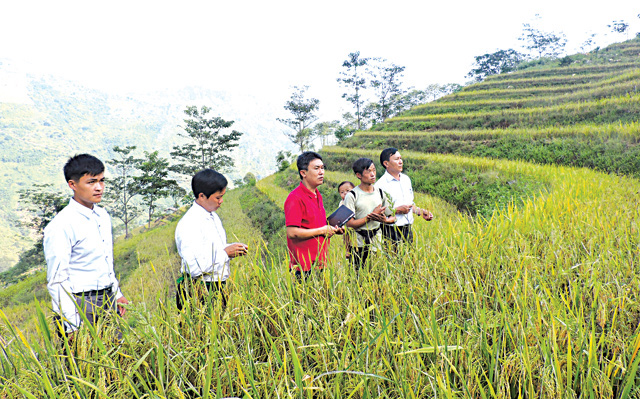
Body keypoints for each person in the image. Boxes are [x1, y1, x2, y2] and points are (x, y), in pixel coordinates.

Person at [44, 154, 129, 340]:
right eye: (91, 182)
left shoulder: (102, 216)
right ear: (72, 185)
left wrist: (116, 293)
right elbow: (57, 280)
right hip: (80, 304)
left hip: (107, 300)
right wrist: (71, 324)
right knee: (84, 364)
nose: (99, 188)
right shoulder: (61, 226)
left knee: (117, 360)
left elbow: (105, 262)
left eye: (101, 181)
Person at [175, 169, 248, 310]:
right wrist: (225, 253)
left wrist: (232, 249)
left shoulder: (212, 216)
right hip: (199, 290)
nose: (221, 201)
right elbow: (195, 267)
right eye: (218, 197)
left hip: (216, 286)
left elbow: (211, 249)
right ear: (202, 196)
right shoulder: (190, 223)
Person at [284, 151, 343, 280]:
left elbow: (315, 225)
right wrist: (322, 230)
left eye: (322, 168)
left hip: (320, 263)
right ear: (303, 173)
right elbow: (292, 232)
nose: (321, 172)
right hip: (303, 267)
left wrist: (332, 229)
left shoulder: (317, 195)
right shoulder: (295, 198)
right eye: (316, 168)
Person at [344, 158, 396, 270]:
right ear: (359, 175)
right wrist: (370, 217)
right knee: (358, 274)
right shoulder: (352, 195)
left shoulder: (380, 192)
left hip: (376, 242)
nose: (373, 174)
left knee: (377, 273)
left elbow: (393, 216)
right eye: (368, 171)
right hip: (358, 243)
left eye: (374, 170)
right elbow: (349, 223)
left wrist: (385, 220)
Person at [375, 148, 433, 247]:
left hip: (407, 227)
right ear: (386, 163)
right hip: (390, 230)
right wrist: (396, 210)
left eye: (401, 158)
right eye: (396, 159)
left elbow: (410, 204)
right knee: (393, 259)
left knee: (408, 258)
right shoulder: (380, 185)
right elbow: (376, 212)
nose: (400, 162)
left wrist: (420, 212)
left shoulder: (406, 179)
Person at [337, 181, 355, 260]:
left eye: (348, 191)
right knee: (346, 234)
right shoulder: (342, 203)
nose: (345, 193)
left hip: (357, 224)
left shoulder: (357, 200)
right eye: (342, 192)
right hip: (348, 225)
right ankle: (347, 250)